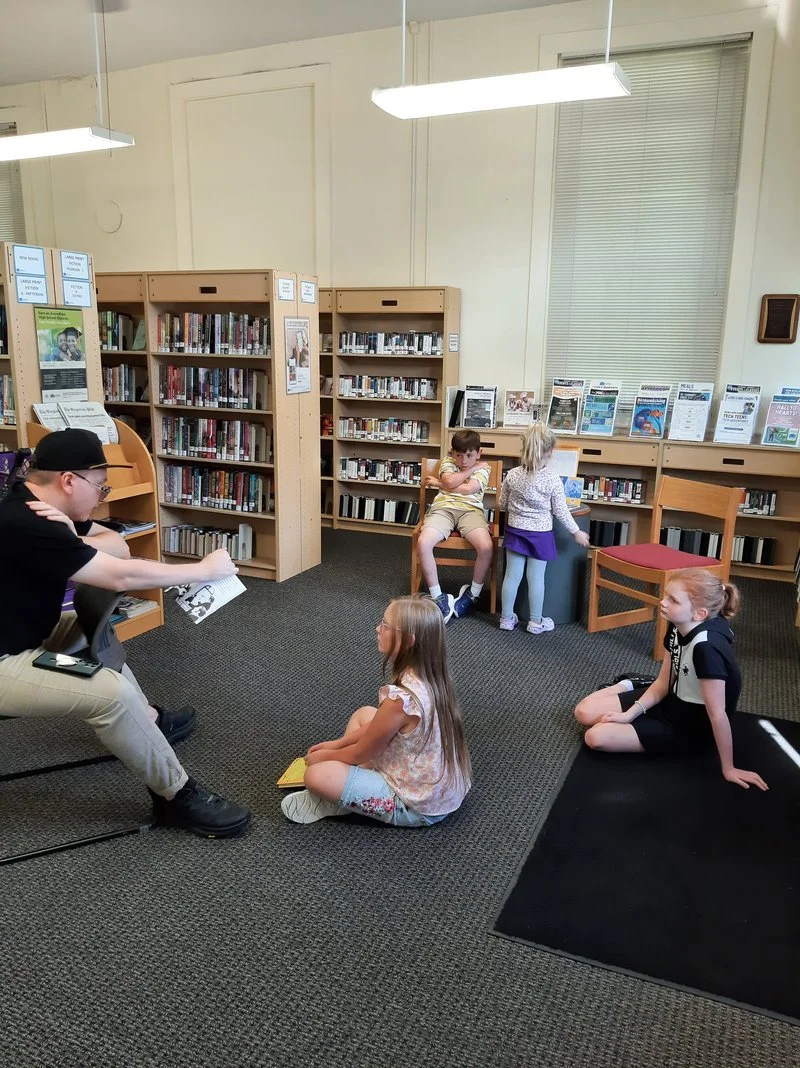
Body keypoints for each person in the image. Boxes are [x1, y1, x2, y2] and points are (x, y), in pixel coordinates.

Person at [0, 428, 251, 837]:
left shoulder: (40, 508)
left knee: (90, 629)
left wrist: (73, 532)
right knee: (112, 695)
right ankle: (176, 796)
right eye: (100, 487)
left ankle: (146, 720)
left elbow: (119, 545)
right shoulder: (27, 523)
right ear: (69, 480)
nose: (102, 497)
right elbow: (122, 574)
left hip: (24, 634)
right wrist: (204, 570)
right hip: (6, 660)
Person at [281, 595, 471, 826]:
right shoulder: (431, 677)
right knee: (363, 714)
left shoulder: (401, 700)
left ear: (408, 641)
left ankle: (343, 800)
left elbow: (360, 753)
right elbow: (375, 727)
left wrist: (325, 756)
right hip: (437, 787)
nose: (377, 629)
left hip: (417, 806)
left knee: (315, 774)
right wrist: (336, 744)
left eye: (385, 625)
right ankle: (351, 789)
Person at [573, 569, 768, 791]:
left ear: (700, 614)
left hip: (688, 728)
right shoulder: (677, 623)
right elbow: (662, 683)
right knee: (583, 712)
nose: (663, 602)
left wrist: (729, 768)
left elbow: (718, 714)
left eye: (673, 600)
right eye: (666, 595)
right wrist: (629, 714)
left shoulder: (707, 649)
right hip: (670, 699)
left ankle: (637, 695)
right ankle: (630, 683)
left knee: (594, 737)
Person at [498, 422, 589, 633]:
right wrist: (576, 531)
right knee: (536, 579)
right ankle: (535, 622)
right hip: (540, 535)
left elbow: (502, 504)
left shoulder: (512, 474)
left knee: (511, 577)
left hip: (515, 531)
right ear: (550, 451)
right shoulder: (552, 479)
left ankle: (506, 619)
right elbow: (561, 511)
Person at [415, 429, 492, 622]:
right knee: (423, 543)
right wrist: (471, 470)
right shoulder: (449, 462)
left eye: (470, 455)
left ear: (479, 453)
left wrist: (439, 483)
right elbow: (449, 481)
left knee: (486, 547)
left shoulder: (485, 469)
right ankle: (437, 596)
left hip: (471, 511)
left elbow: (468, 489)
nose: (464, 460)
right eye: (459, 455)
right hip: (443, 509)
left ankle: (473, 594)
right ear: (452, 453)